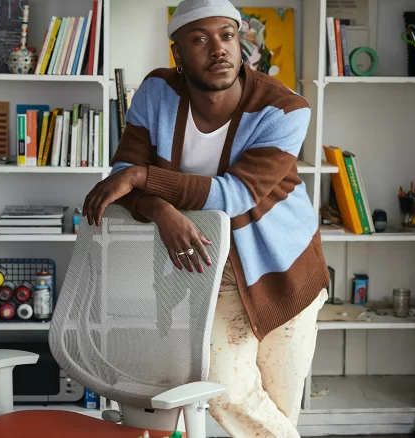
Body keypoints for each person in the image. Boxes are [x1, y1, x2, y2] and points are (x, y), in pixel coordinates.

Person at [82, 0, 329, 435]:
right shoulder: (157, 92)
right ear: (177, 53)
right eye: (200, 39)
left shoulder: (284, 109)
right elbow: (123, 177)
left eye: (227, 36)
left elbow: (234, 195)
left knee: (276, 411)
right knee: (225, 391)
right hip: (203, 264)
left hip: (282, 268)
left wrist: (144, 179)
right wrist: (159, 209)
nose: (218, 49)